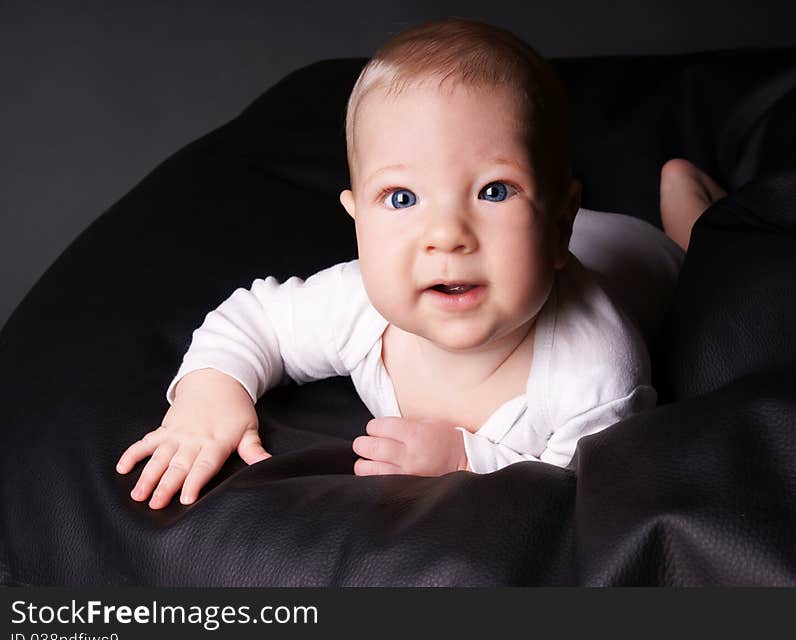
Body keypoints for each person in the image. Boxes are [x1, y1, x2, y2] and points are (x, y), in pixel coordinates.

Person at [116, 18, 727, 509]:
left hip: (639, 260)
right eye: (402, 198)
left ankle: (691, 208)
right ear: (358, 223)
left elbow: (596, 482)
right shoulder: (357, 303)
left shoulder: (594, 369)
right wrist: (209, 394)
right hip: (582, 243)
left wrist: (469, 459)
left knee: (709, 263)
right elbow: (253, 321)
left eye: (493, 190)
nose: (446, 235)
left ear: (559, 220)